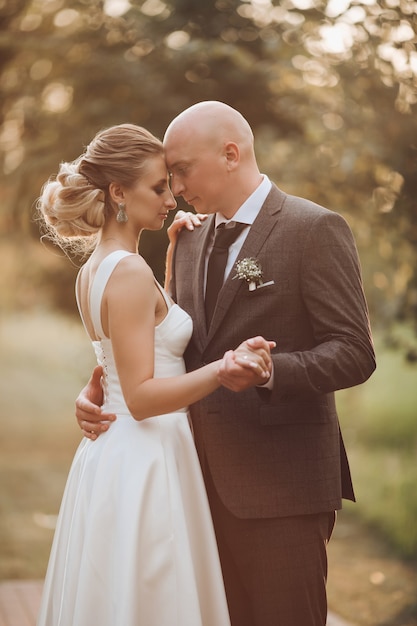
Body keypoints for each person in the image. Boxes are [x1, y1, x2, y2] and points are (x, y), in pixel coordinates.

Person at [76, 103, 376, 626]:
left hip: (281, 493)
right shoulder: (187, 238)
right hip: (190, 489)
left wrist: (271, 372)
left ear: (231, 155)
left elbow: (354, 351)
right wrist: (101, 388)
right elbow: (163, 345)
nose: (175, 187)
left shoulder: (314, 229)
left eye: (182, 169)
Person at [36, 122, 274, 626]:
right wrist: (222, 369)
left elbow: (142, 340)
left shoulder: (98, 269)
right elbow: (141, 395)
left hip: (117, 452)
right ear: (119, 192)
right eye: (158, 187)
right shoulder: (126, 272)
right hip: (147, 454)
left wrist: (169, 261)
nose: (173, 199)